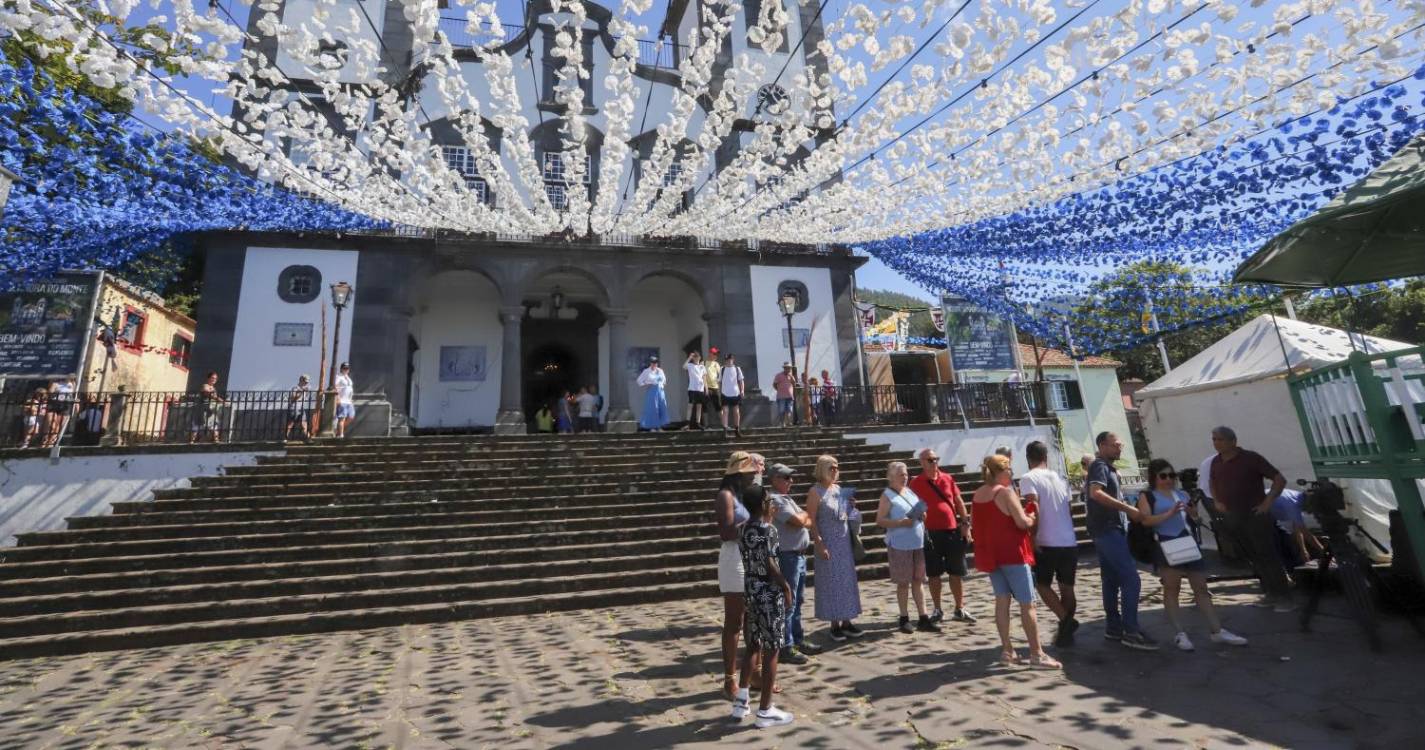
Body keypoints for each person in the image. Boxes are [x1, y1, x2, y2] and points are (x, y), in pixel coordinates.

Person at [1137, 459, 1250, 652]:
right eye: (1163, 476)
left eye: (1172, 475)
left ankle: (1217, 630)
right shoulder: (1148, 496)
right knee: (1172, 589)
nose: (1168, 479)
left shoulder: (1182, 494)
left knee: (1201, 587)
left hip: (1188, 543)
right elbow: (1145, 520)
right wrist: (1169, 513)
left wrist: (1192, 513)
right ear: (1154, 477)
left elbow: (1195, 519)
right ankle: (1179, 633)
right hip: (1166, 543)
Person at [973, 454, 1060, 668]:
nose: (1012, 473)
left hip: (993, 555)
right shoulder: (1005, 492)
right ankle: (1037, 654)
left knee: (1002, 602)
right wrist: (1032, 516)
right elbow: (1022, 523)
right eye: (1009, 469)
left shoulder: (978, 494)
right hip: (1013, 553)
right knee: (1027, 603)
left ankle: (1007, 650)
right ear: (1000, 471)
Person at [1208, 426, 1296, 610]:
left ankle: (1284, 597)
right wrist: (1217, 501)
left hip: (1255, 514)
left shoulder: (1250, 458)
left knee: (1267, 554)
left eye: (1220, 439)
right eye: (1214, 439)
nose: (1216, 443)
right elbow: (1212, 482)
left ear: (1233, 441)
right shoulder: (1216, 462)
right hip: (1233, 515)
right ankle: (1270, 593)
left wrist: (1267, 502)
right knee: (1253, 556)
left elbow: (1279, 479)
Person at [730, 483, 795, 728]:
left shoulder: (744, 528)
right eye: (768, 500)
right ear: (762, 504)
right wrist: (785, 586)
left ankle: (741, 701)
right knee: (772, 649)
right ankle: (766, 709)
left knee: (753, 645)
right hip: (768, 592)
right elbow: (769, 562)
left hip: (751, 589)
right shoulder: (768, 529)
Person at [1086, 431, 1157, 650]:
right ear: (1102, 446)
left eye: (1120, 444)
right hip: (1108, 529)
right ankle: (1131, 630)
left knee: (1111, 579)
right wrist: (1127, 508)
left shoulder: (1107, 468)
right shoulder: (1099, 466)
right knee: (1131, 579)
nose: (1120, 448)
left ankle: (1114, 628)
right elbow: (1095, 493)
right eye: (1116, 445)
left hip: (1106, 529)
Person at [1019, 441, 1079, 647]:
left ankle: (1066, 621)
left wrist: (1032, 536)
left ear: (1028, 458)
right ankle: (1065, 633)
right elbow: (1069, 508)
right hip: (1068, 539)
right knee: (1067, 588)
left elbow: (1032, 505)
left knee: (1042, 584)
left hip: (1046, 540)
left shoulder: (1028, 478)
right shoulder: (1060, 478)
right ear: (1046, 457)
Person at [911, 448, 975, 624]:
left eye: (936, 459)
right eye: (930, 460)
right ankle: (938, 609)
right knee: (934, 574)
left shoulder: (947, 478)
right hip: (930, 533)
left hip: (952, 531)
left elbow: (958, 501)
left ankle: (959, 608)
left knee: (956, 571)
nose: (934, 462)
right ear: (922, 463)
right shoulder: (916, 483)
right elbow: (912, 507)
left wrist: (965, 524)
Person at [879, 461, 941, 634]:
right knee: (903, 583)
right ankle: (904, 617)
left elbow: (920, 511)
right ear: (891, 477)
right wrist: (901, 523)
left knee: (918, 581)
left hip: (917, 543)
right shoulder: (887, 496)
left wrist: (923, 515)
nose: (904, 477)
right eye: (900, 474)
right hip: (899, 544)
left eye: (906, 474)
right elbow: (880, 520)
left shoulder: (910, 492)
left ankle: (923, 617)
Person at [768, 462, 821, 664]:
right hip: (787, 555)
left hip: (798, 555)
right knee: (788, 602)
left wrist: (804, 517)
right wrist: (803, 518)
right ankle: (785, 645)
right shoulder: (774, 499)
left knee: (798, 600)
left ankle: (797, 639)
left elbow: (807, 516)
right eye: (787, 477)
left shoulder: (786, 498)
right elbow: (799, 520)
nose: (791, 481)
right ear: (775, 479)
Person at [807, 454, 863, 640]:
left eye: (837, 467)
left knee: (846, 582)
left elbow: (844, 515)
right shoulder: (815, 492)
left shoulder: (838, 489)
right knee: (831, 583)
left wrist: (851, 507)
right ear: (822, 468)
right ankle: (834, 624)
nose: (835, 470)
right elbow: (812, 520)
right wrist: (819, 543)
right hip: (828, 541)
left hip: (843, 541)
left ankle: (847, 621)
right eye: (831, 467)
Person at [717, 451, 757, 699]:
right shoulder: (725, 496)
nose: (754, 476)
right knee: (735, 621)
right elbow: (727, 532)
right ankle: (729, 678)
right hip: (734, 558)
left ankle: (753, 672)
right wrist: (756, 519)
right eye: (750, 472)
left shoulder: (744, 496)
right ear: (738, 474)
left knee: (753, 619)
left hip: (751, 556)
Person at [1271, 488, 1324, 569]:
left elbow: (1297, 529)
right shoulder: (1293, 504)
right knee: (1279, 543)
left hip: (1268, 518)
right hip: (1256, 516)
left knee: (1287, 538)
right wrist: (1324, 551)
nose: (1310, 512)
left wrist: (1303, 550)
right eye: (1312, 508)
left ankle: (1290, 568)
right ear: (1309, 502)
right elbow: (1306, 534)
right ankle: (1282, 572)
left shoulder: (1296, 497)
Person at [191, 371, 226, 444]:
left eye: (215, 379)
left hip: (210, 409)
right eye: (212, 378)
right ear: (208, 378)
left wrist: (220, 401)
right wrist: (219, 399)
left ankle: (216, 440)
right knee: (197, 424)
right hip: (202, 408)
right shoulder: (205, 385)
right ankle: (192, 441)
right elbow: (207, 393)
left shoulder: (213, 388)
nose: (214, 380)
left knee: (213, 424)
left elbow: (213, 396)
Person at [636, 357, 669, 431]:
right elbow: (639, 381)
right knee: (653, 409)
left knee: (661, 408)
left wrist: (663, 384)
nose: (654, 364)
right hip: (651, 391)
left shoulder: (660, 370)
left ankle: (659, 426)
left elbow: (664, 380)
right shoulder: (646, 371)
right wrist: (646, 384)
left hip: (660, 391)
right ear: (650, 363)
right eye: (653, 362)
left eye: (656, 362)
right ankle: (652, 427)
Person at [43, 377, 76, 447]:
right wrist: (55, 389)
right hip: (54, 404)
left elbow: (72, 394)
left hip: (65, 405)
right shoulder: (56, 383)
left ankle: (52, 441)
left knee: (59, 424)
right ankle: (45, 440)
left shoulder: (72, 384)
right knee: (51, 423)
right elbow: (50, 392)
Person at [720, 353, 745, 437]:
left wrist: (742, 390)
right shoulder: (722, 369)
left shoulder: (737, 369)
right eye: (727, 360)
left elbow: (741, 380)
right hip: (725, 393)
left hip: (735, 393)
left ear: (733, 360)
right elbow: (719, 381)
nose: (728, 361)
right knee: (725, 412)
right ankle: (725, 430)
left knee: (736, 412)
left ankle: (737, 429)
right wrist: (720, 391)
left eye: (730, 359)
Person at [286, 374, 313, 441]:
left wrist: (305, 391)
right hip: (294, 407)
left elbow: (305, 395)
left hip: (301, 407)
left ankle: (308, 437)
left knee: (304, 423)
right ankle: (285, 437)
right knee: (291, 423)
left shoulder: (304, 388)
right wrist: (301, 391)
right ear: (301, 380)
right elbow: (293, 398)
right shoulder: (295, 388)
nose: (306, 383)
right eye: (305, 381)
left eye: (307, 382)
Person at [684, 352, 707, 430]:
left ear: (700, 357)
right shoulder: (690, 365)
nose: (696, 358)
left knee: (699, 406)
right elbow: (684, 366)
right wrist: (689, 357)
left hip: (700, 389)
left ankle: (698, 423)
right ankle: (687, 424)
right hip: (692, 389)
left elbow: (704, 378)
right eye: (695, 357)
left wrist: (706, 388)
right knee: (690, 406)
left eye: (697, 356)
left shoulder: (702, 367)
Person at [334, 363, 355, 438]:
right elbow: (335, 386)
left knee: (351, 416)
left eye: (347, 368)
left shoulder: (347, 377)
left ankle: (337, 430)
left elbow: (350, 388)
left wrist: (351, 399)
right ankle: (340, 434)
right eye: (345, 368)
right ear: (341, 369)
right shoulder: (339, 376)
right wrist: (338, 398)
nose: (346, 370)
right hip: (342, 400)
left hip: (349, 401)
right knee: (342, 418)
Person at [704, 350, 724, 429]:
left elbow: (720, 375)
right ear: (710, 354)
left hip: (715, 387)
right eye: (714, 354)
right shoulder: (703, 363)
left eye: (716, 355)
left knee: (719, 407)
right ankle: (706, 425)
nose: (716, 356)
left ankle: (724, 424)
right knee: (705, 406)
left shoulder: (716, 364)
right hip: (706, 387)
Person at [772, 363, 796, 427]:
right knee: (781, 410)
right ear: (784, 368)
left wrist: (792, 378)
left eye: (790, 368)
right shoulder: (778, 375)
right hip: (781, 396)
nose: (789, 369)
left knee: (789, 410)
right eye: (787, 368)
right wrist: (778, 390)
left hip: (790, 396)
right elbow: (774, 384)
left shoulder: (791, 376)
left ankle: (789, 422)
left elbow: (794, 384)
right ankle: (782, 423)